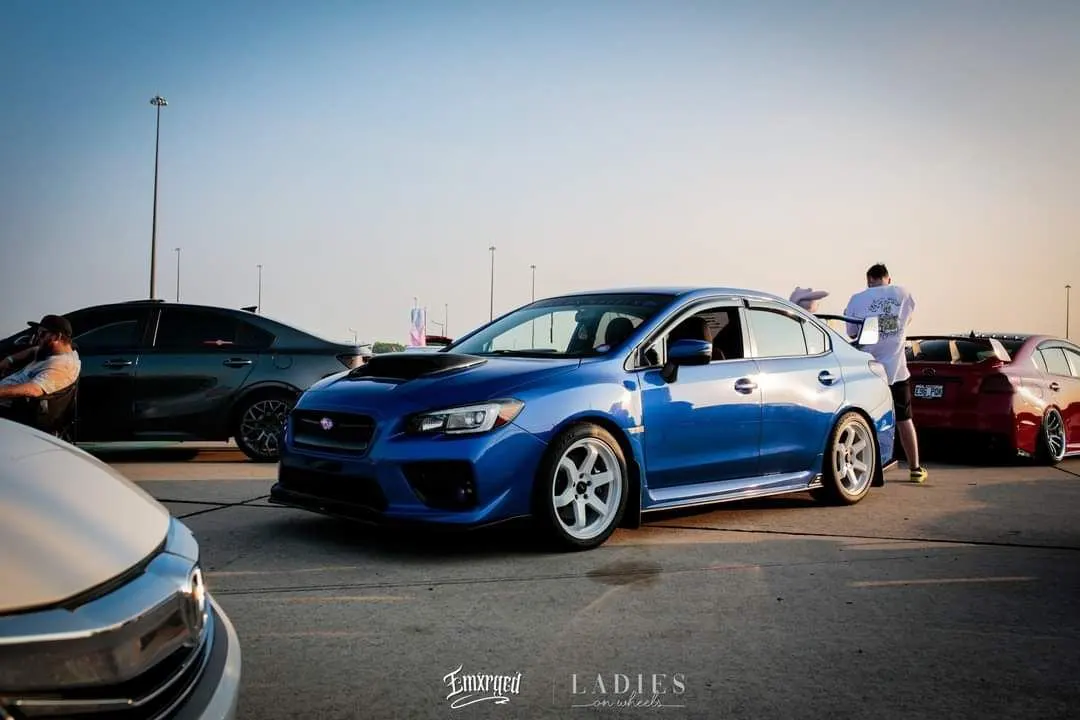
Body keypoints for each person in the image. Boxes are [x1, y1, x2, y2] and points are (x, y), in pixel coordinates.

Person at [843, 264, 926, 483]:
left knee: (867, 421)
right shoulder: (903, 293)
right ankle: (915, 469)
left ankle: (869, 469)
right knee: (904, 419)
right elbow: (907, 320)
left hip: (869, 372)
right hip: (896, 370)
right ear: (888, 278)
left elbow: (851, 332)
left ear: (869, 279)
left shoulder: (857, 298)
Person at [0, 315, 81, 416]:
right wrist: (9, 360)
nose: (38, 337)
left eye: (42, 334)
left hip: (9, 407)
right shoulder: (56, 350)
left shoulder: (62, 366)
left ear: (57, 337)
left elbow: (34, 390)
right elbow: (34, 350)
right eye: (38, 333)